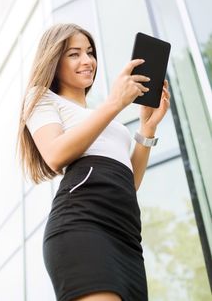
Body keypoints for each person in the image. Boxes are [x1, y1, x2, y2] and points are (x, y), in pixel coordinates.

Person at [17, 23, 170, 301]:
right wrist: (115, 103)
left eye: (90, 52)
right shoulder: (41, 98)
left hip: (127, 237)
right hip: (83, 224)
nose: (87, 61)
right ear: (53, 59)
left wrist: (147, 128)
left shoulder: (100, 116)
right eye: (74, 54)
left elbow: (129, 182)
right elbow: (54, 154)